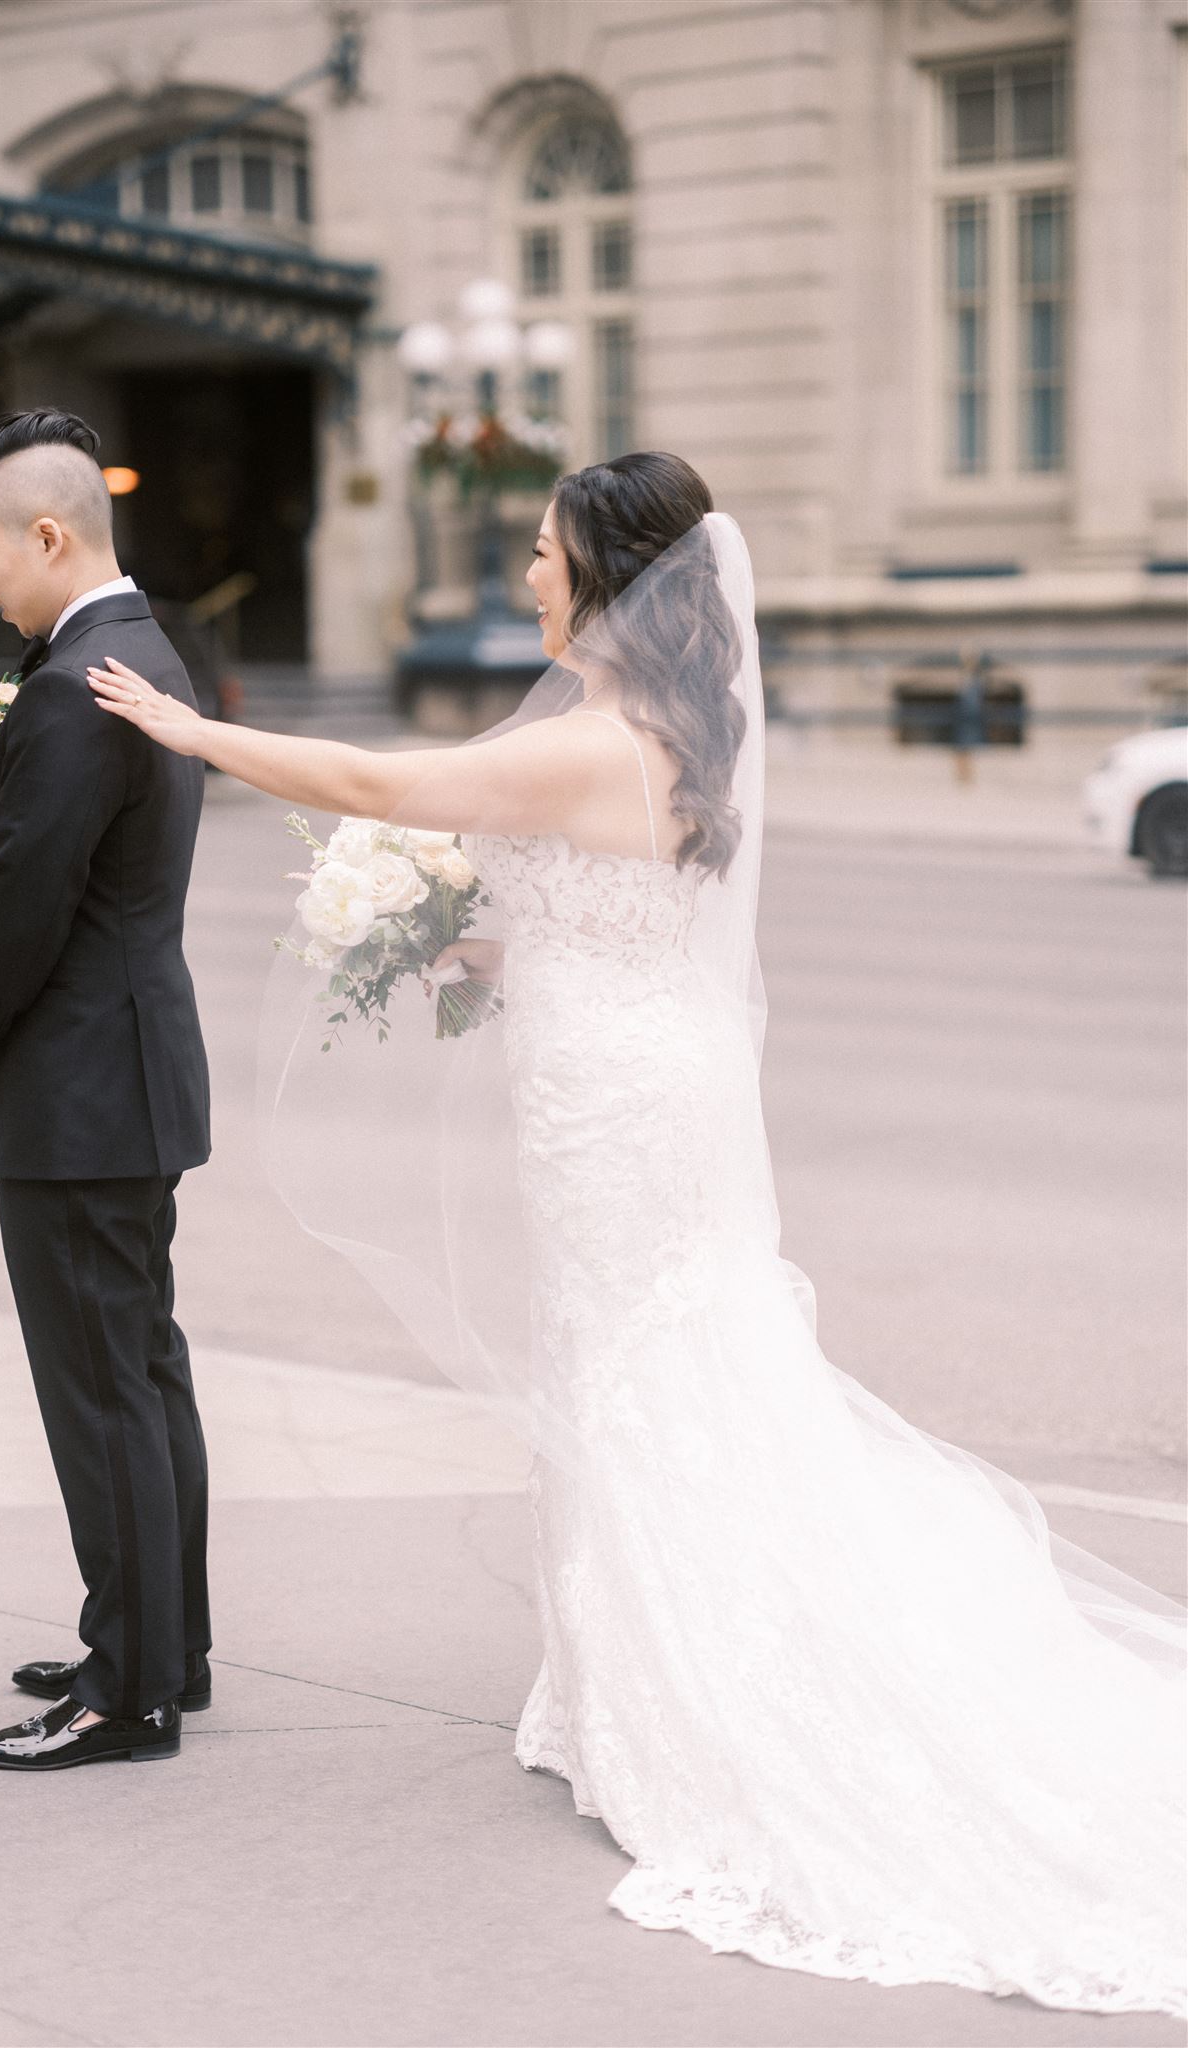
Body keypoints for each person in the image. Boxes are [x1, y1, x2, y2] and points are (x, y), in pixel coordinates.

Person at [84, 448, 1185, 2014]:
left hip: (621, 1112)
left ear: (613, 577)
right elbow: (582, 910)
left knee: (648, 1371)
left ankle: (700, 1698)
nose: (525, 576)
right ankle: (612, 1687)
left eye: (541, 555)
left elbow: (396, 789)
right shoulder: (670, 733)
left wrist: (193, 730)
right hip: (638, 1085)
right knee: (646, 1357)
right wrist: (460, 937)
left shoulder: (595, 740)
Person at [0, 408, 213, 1771]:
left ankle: (124, 1692)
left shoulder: (76, 685)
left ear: (48, 534)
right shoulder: (142, 651)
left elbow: (25, 905)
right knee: (141, 1370)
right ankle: (165, 1644)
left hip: (81, 1084)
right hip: (128, 1070)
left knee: (101, 1386)